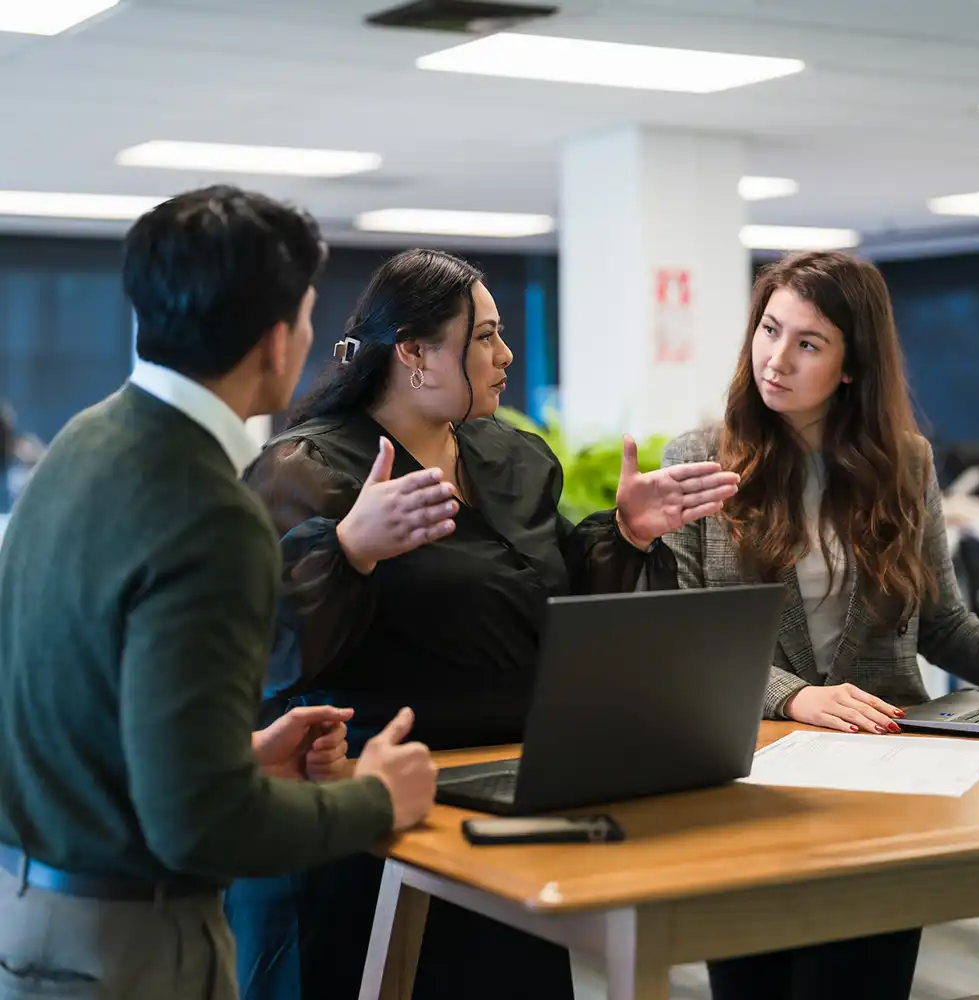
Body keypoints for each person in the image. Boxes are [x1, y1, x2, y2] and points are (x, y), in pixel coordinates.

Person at [226, 247, 740, 1000]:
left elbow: (550, 600)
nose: (506, 357)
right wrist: (348, 551)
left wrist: (626, 532)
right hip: (366, 814)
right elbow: (262, 654)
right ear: (414, 354)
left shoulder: (515, 458)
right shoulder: (307, 470)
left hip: (502, 803)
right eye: (486, 337)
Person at [0, 186, 438, 1000]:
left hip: (29, 917)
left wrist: (234, 759)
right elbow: (203, 825)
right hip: (132, 945)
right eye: (309, 318)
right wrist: (377, 800)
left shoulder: (79, 443)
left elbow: (82, 717)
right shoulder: (211, 510)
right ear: (276, 342)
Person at [660, 249, 979, 1000]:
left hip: (886, 785)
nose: (775, 359)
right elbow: (687, 639)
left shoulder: (904, 465)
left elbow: (942, 623)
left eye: (808, 344)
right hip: (752, 778)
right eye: (769, 330)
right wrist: (792, 697)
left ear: (852, 366)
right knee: (756, 985)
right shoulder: (698, 460)